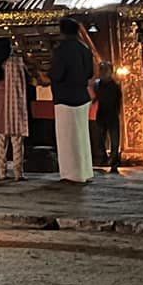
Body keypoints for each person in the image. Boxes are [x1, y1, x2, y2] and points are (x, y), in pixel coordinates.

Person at [48, 17, 96, 183]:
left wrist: (47, 75)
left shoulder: (61, 50)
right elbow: (90, 73)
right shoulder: (85, 49)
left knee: (67, 138)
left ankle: (70, 173)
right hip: (82, 95)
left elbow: (57, 74)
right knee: (82, 135)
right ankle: (85, 171)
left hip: (65, 97)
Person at [0, 35, 29, 180]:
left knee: (1, 140)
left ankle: (2, 172)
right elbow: (24, 83)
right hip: (15, 104)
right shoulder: (16, 62)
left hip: (0, 104)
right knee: (17, 140)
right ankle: (18, 173)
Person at [94, 58, 124, 174]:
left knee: (114, 141)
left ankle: (114, 162)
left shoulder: (115, 86)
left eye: (105, 70)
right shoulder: (98, 84)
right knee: (100, 139)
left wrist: (117, 112)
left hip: (112, 114)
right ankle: (105, 158)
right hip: (102, 114)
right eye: (102, 70)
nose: (103, 73)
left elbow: (118, 100)